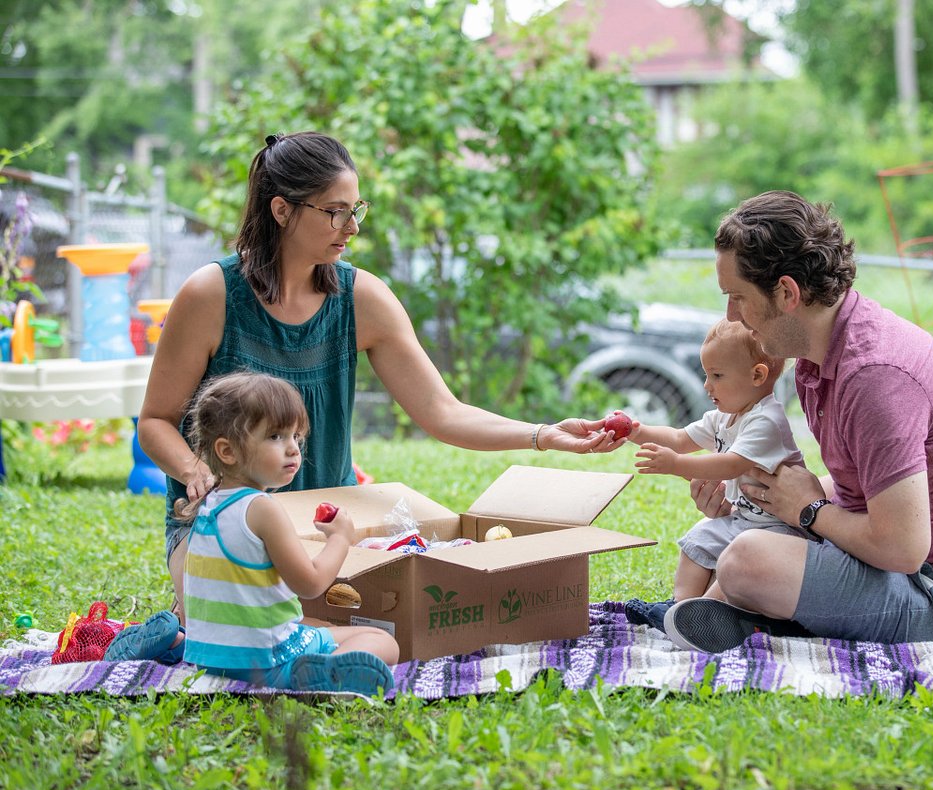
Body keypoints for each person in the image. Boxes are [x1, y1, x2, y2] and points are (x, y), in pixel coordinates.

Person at [109, 131, 621, 663]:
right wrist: (196, 471)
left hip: (321, 527)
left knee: (322, 625)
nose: (351, 228)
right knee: (277, 622)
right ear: (282, 210)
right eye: (335, 212)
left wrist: (543, 434)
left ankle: (187, 641)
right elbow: (155, 421)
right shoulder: (210, 294)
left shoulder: (361, 298)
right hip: (224, 522)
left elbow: (443, 412)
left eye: (356, 210)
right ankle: (195, 634)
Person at [662, 190, 933, 653]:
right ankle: (740, 614)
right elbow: (868, 495)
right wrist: (758, 498)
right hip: (915, 572)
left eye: (737, 297)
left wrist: (808, 511)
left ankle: (749, 614)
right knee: (747, 536)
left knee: (746, 562)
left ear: (787, 292)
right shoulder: (819, 359)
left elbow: (901, 547)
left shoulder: (874, 377)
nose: (730, 315)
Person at [110, 372, 398, 695]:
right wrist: (340, 539)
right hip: (268, 663)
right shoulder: (262, 509)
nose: (292, 450)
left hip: (207, 656)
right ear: (227, 451)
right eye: (275, 437)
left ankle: (172, 642)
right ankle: (317, 676)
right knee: (383, 641)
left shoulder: (208, 504)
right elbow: (311, 583)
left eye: (295, 437)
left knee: (316, 630)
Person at [622, 319, 805, 630]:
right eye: (707, 375)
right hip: (742, 520)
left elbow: (732, 464)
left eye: (717, 376)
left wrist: (676, 465)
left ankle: (703, 616)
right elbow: (680, 438)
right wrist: (636, 431)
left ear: (757, 375)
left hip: (777, 531)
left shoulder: (766, 421)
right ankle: (679, 608)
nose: (707, 385)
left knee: (734, 569)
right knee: (699, 539)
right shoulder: (724, 416)